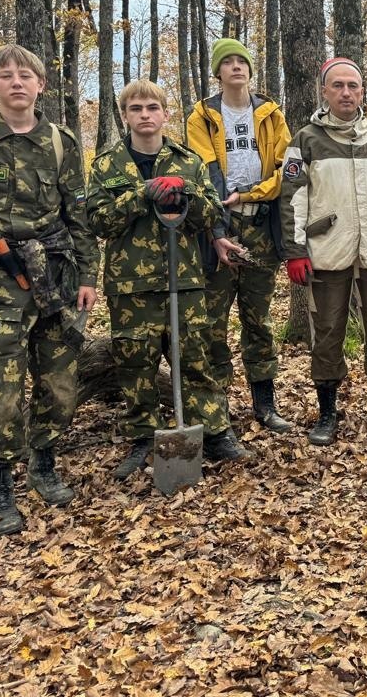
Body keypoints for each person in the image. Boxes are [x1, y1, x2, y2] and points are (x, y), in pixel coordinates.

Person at [0, 44, 99, 535]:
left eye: (25, 75)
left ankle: (43, 463)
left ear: (40, 85)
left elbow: (79, 213)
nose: (16, 83)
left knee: (60, 382)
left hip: (54, 276)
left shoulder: (61, 141)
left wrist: (89, 275)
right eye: (5, 76)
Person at [87, 80, 250, 479]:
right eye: (136, 108)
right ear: (124, 115)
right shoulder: (106, 164)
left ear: (165, 113)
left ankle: (213, 431)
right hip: (131, 285)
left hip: (185, 278)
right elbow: (95, 220)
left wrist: (186, 195)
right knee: (135, 363)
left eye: (152, 107)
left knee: (195, 356)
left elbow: (212, 215)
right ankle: (142, 435)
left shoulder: (187, 160)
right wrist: (141, 194)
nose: (145, 115)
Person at [278, 57, 367, 446]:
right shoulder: (306, 139)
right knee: (326, 333)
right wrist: (295, 250)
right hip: (326, 250)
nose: (345, 92)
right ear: (324, 91)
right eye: (337, 85)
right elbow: (291, 198)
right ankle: (327, 411)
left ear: (361, 92)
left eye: (352, 85)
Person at [186, 38, 294, 433]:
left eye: (241, 61)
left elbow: (286, 170)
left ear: (250, 69)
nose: (236, 67)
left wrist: (252, 194)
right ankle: (217, 411)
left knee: (258, 318)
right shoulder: (203, 115)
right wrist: (217, 225)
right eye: (227, 62)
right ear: (218, 72)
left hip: (260, 224)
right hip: (219, 225)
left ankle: (265, 405)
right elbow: (204, 170)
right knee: (213, 320)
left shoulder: (270, 113)